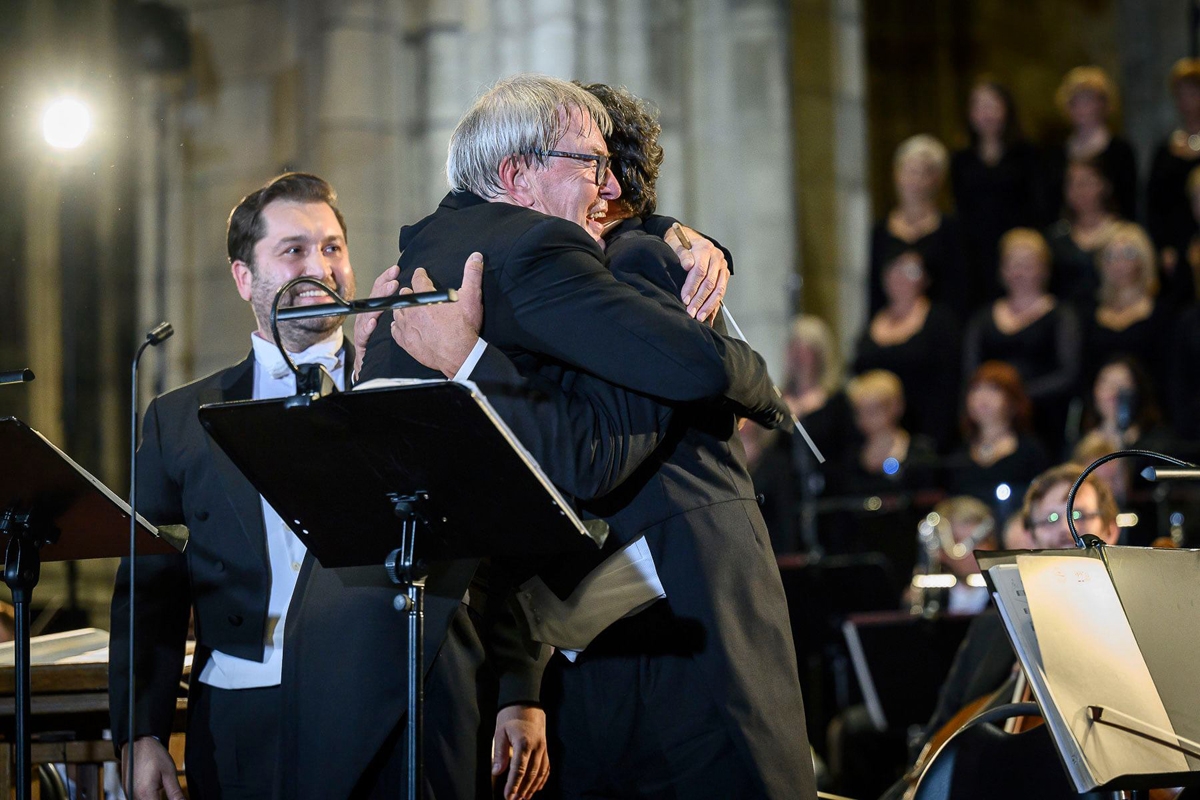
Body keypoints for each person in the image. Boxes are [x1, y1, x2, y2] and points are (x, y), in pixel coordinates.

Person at [289, 75, 814, 800]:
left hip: (418, 626)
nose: (599, 189)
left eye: (607, 170)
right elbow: (608, 439)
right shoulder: (544, 249)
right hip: (534, 632)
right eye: (587, 165)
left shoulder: (432, 250)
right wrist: (764, 389)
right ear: (517, 174)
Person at [881, 462, 1121, 800]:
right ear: (1031, 537)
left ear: (1111, 529)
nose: (1066, 529)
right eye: (1049, 520)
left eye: (1079, 515)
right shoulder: (990, 626)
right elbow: (942, 724)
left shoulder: (1128, 626)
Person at [963, 228, 1081, 454]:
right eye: (1013, 264)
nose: (1019, 272)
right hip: (989, 422)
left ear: (1044, 269)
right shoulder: (982, 319)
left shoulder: (1061, 316)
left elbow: (1069, 374)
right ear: (1002, 269)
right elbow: (971, 373)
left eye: (1028, 264)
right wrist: (992, 402)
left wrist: (1015, 398)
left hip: (1044, 420)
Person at [950, 78, 1048, 301]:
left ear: (1007, 109)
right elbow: (960, 207)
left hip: (1019, 250)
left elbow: (1039, 204)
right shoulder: (961, 160)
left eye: (992, 106)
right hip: (976, 252)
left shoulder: (1027, 153)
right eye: (979, 106)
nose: (986, 114)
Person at [853, 249, 960, 451]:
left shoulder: (940, 322)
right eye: (894, 269)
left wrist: (936, 439)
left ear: (926, 278)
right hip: (873, 436)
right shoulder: (871, 324)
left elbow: (948, 384)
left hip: (923, 433)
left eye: (910, 270)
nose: (900, 276)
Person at [868, 134, 969, 318]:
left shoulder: (952, 229)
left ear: (937, 180)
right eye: (910, 171)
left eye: (925, 173)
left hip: (938, 330)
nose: (916, 180)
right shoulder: (880, 230)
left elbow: (959, 290)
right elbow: (874, 291)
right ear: (897, 175)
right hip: (892, 329)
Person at [945, 361, 1049, 521]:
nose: (982, 397)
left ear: (1014, 400)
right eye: (976, 389)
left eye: (994, 389)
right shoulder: (957, 452)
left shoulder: (1031, 451)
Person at [1081, 221, 1172, 392]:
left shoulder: (1162, 314)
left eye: (1128, 254)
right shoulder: (1089, 314)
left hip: (1151, 407)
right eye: (1111, 256)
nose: (1119, 263)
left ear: (1143, 259)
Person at [1045, 66, 1137, 222]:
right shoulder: (1055, 153)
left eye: (1088, 100)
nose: (1082, 108)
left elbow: (1129, 201)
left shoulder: (1120, 150)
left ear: (1103, 104)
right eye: (1075, 101)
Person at [832, 369, 937, 498]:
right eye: (859, 411)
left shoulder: (920, 451)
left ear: (895, 406)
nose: (865, 418)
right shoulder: (851, 457)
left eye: (872, 410)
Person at [1147, 58, 1200, 300]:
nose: (1188, 100)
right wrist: (1163, 248)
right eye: (1181, 94)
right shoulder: (1165, 150)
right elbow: (1154, 204)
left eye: (1193, 92)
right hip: (1176, 244)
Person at [1045, 158, 1120, 314]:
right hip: (1067, 321)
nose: (1079, 190)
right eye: (1072, 183)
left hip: (1113, 319)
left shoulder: (1124, 234)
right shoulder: (1055, 237)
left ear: (1105, 185)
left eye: (1086, 182)